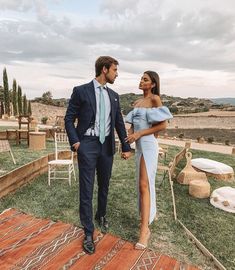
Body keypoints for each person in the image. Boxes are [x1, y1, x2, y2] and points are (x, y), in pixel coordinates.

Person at [64, 56, 132, 255]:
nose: (116, 74)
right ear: (104, 70)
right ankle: (88, 232)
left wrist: (126, 147)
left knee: (104, 184)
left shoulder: (115, 96)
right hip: (87, 144)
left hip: (106, 147)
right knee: (86, 188)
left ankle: (101, 214)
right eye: (115, 70)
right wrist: (76, 143)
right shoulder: (81, 91)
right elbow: (69, 119)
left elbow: (119, 123)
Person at [124, 71, 173, 249]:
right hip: (138, 147)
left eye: (145, 79)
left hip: (149, 146)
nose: (141, 81)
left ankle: (144, 230)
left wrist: (139, 134)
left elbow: (162, 125)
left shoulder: (155, 99)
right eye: (141, 78)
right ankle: (149, 215)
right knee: (142, 185)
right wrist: (127, 146)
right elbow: (131, 128)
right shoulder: (137, 103)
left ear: (152, 84)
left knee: (144, 184)